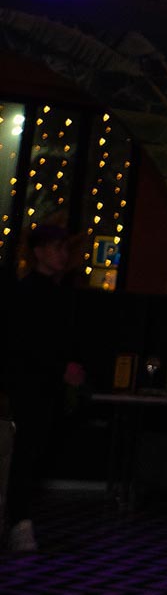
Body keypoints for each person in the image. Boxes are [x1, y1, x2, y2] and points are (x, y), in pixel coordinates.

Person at [2, 225, 85, 554]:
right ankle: (19, 521)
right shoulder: (27, 292)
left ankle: (18, 519)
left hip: (46, 385)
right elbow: (23, 343)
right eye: (56, 248)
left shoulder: (57, 293)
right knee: (24, 454)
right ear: (38, 252)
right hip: (28, 386)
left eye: (64, 248)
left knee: (31, 454)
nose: (62, 255)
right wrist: (60, 367)